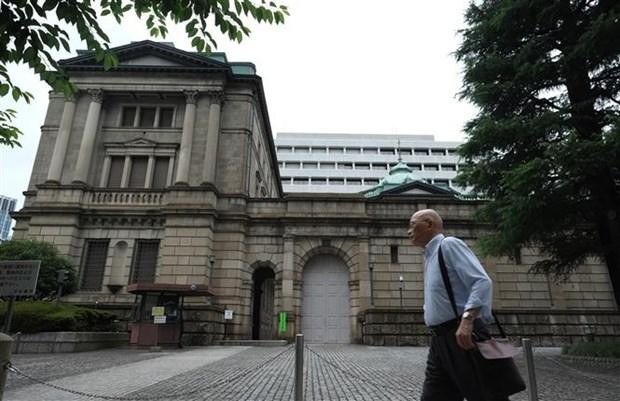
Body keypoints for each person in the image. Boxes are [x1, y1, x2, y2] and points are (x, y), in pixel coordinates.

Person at [408, 209, 507, 401]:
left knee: (485, 395)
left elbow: (481, 281)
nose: (408, 231)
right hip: (439, 341)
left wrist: (467, 320)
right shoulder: (429, 255)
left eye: (412, 224)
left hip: (461, 336)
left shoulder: (449, 245)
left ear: (429, 224)